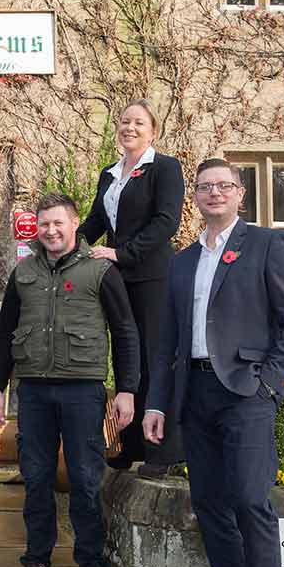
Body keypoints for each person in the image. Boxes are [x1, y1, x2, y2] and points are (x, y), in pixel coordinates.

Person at [144, 158, 284, 567]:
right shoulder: (182, 262)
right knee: (210, 503)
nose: (213, 193)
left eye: (223, 186)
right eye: (204, 187)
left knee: (249, 500)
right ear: (194, 198)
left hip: (245, 392)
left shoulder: (267, 245)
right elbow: (167, 342)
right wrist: (157, 403)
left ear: (241, 193)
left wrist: (269, 384)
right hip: (193, 393)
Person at [0, 193, 139, 567]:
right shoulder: (24, 272)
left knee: (87, 483)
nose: (50, 231)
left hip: (82, 391)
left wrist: (125, 389)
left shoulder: (101, 271)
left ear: (74, 225)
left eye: (58, 223)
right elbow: (4, 333)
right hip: (33, 391)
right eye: (44, 224)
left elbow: (125, 332)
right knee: (35, 480)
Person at [79, 99, 185, 477]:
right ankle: (129, 445)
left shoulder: (165, 168)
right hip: (118, 277)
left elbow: (165, 223)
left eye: (139, 122)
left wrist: (120, 253)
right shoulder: (109, 173)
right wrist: (64, 248)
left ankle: (162, 451)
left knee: (156, 358)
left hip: (153, 276)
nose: (130, 128)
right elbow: (95, 221)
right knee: (126, 359)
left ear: (152, 130)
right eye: (124, 122)